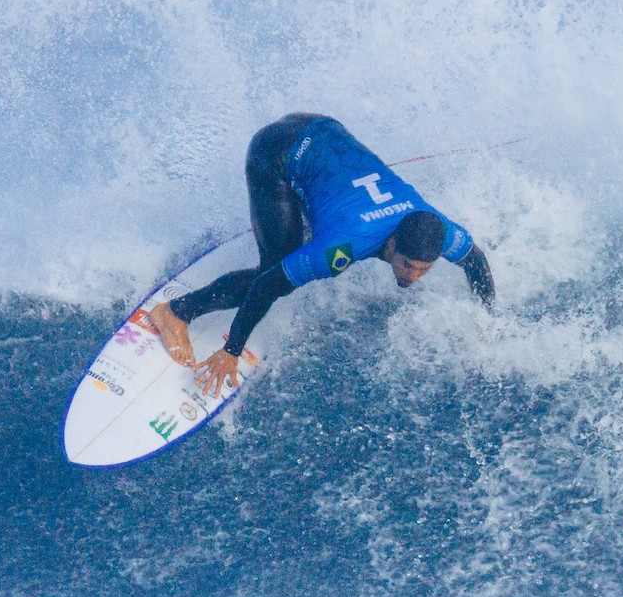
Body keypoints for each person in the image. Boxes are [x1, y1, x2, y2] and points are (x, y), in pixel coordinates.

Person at [142, 113, 496, 397]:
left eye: (423, 269)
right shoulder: (345, 246)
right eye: (406, 265)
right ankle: (176, 312)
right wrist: (231, 350)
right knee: (278, 262)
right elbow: (268, 285)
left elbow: (476, 260)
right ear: (390, 245)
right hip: (277, 153)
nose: (413, 276)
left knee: (309, 229)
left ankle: (304, 210)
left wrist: (487, 316)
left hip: (324, 128)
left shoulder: (439, 230)